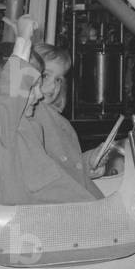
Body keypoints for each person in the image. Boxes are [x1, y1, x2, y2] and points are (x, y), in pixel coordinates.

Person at [0, 18, 107, 205]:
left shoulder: (22, 127)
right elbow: (10, 95)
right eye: (32, 87)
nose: (39, 95)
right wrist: (23, 39)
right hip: (32, 226)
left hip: (68, 213)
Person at [31, 43, 104, 199]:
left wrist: (90, 161)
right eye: (45, 76)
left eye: (58, 79)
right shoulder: (31, 117)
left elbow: (68, 165)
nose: (53, 85)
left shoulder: (59, 120)